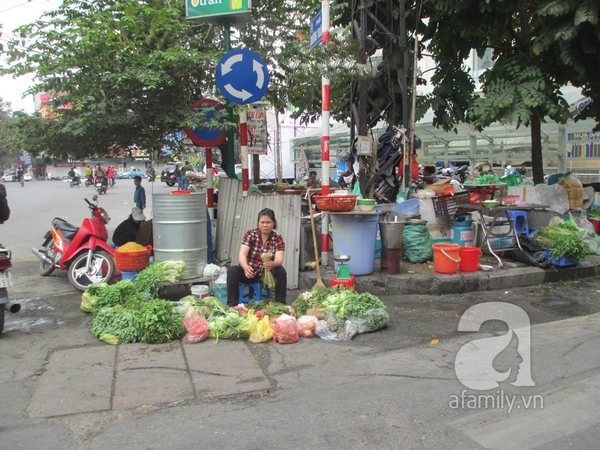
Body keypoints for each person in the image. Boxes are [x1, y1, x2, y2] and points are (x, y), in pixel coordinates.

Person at [227, 208, 287, 306]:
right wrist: (246, 267)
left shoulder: (277, 238)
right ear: (258, 222)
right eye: (262, 222)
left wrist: (272, 264)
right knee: (232, 271)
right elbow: (242, 254)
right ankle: (232, 305)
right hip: (249, 273)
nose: (265, 225)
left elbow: (279, 259)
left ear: (273, 223)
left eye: (268, 222)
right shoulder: (250, 234)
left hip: (265, 275)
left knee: (280, 271)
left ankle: (280, 304)